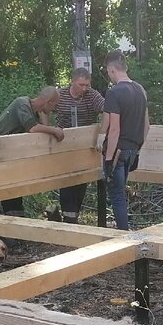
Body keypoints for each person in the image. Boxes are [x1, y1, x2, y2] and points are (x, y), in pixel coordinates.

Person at [0, 86, 63, 217]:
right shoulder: (22, 103)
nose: (55, 109)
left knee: (13, 193)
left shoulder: (34, 113)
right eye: (54, 105)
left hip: (11, 156)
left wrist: (45, 115)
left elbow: (42, 128)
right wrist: (55, 131)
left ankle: (14, 223)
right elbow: (32, 128)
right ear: (48, 102)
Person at [100, 50, 150, 230]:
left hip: (118, 152)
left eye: (108, 72)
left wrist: (108, 160)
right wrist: (138, 151)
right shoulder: (140, 90)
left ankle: (123, 236)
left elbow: (114, 130)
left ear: (112, 70)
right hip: (132, 151)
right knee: (120, 193)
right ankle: (124, 232)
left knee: (117, 196)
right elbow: (147, 126)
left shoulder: (114, 93)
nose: (109, 75)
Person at [53, 68, 106, 223]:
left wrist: (102, 132)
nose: (84, 88)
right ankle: (69, 218)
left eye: (87, 85)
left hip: (84, 146)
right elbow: (44, 107)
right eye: (81, 85)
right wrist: (49, 129)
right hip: (64, 146)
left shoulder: (92, 95)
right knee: (66, 181)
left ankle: (73, 217)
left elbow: (108, 110)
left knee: (81, 181)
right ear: (72, 81)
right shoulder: (60, 95)